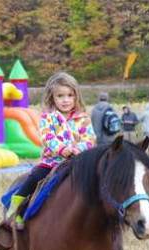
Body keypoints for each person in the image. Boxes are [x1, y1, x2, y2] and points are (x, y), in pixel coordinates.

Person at [6, 72, 95, 228]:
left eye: (69, 95)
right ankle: (17, 207)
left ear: (76, 97)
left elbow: (89, 139)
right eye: (60, 96)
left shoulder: (83, 118)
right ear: (52, 98)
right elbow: (48, 138)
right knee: (35, 176)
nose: (65, 100)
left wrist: (77, 149)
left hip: (78, 162)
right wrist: (63, 149)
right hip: (52, 162)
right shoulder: (48, 117)